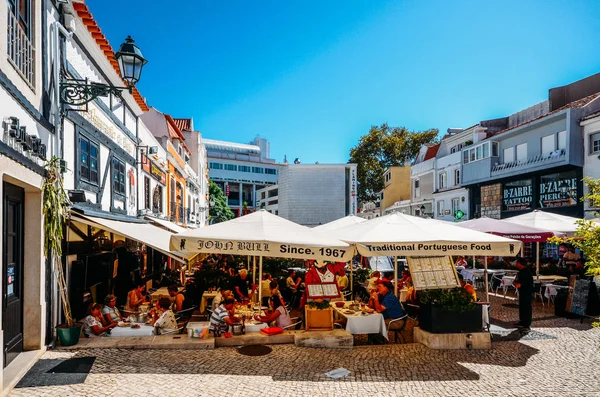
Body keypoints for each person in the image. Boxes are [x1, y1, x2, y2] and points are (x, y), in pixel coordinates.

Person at [513, 257, 533, 331]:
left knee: (526, 307)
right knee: (522, 307)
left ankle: (526, 323)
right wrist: (516, 283)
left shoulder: (526, 273)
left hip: (527, 292)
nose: (516, 264)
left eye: (517, 262)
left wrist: (518, 284)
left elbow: (519, 284)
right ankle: (522, 321)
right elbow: (515, 281)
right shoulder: (520, 272)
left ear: (520, 264)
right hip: (521, 292)